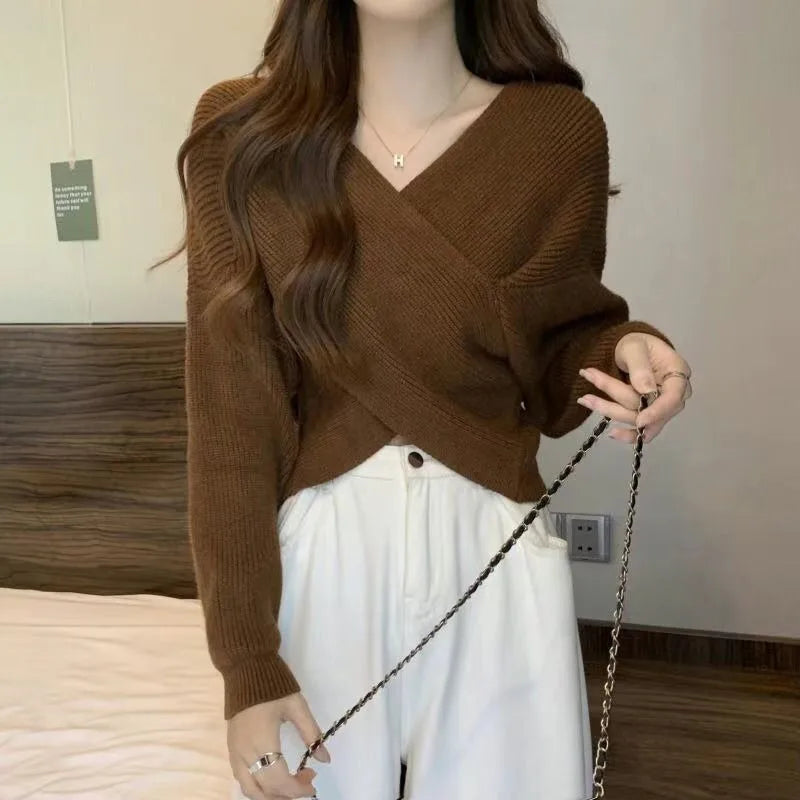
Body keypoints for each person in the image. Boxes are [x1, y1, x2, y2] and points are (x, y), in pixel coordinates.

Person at [174, 1, 693, 798]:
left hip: (489, 543)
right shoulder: (242, 132)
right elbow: (231, 417)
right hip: (322, 558)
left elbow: (558, 343)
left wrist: (622, 349)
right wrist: (245, 660)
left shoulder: (556, 131)